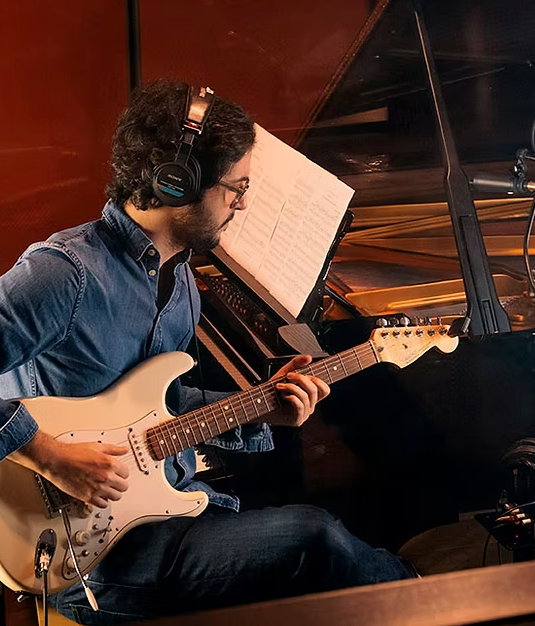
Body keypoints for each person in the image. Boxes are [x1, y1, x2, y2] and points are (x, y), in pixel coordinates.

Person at [0, 79, 414, 625]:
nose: (242, 203)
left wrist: (265, 406)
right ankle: (443, 601)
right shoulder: (64, 275)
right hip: (81, 557)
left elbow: (163, 403)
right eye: (234, 187)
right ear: (175, 184)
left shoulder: (183, 282)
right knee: (318, 541)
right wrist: (48, 455)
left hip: (163, 505)